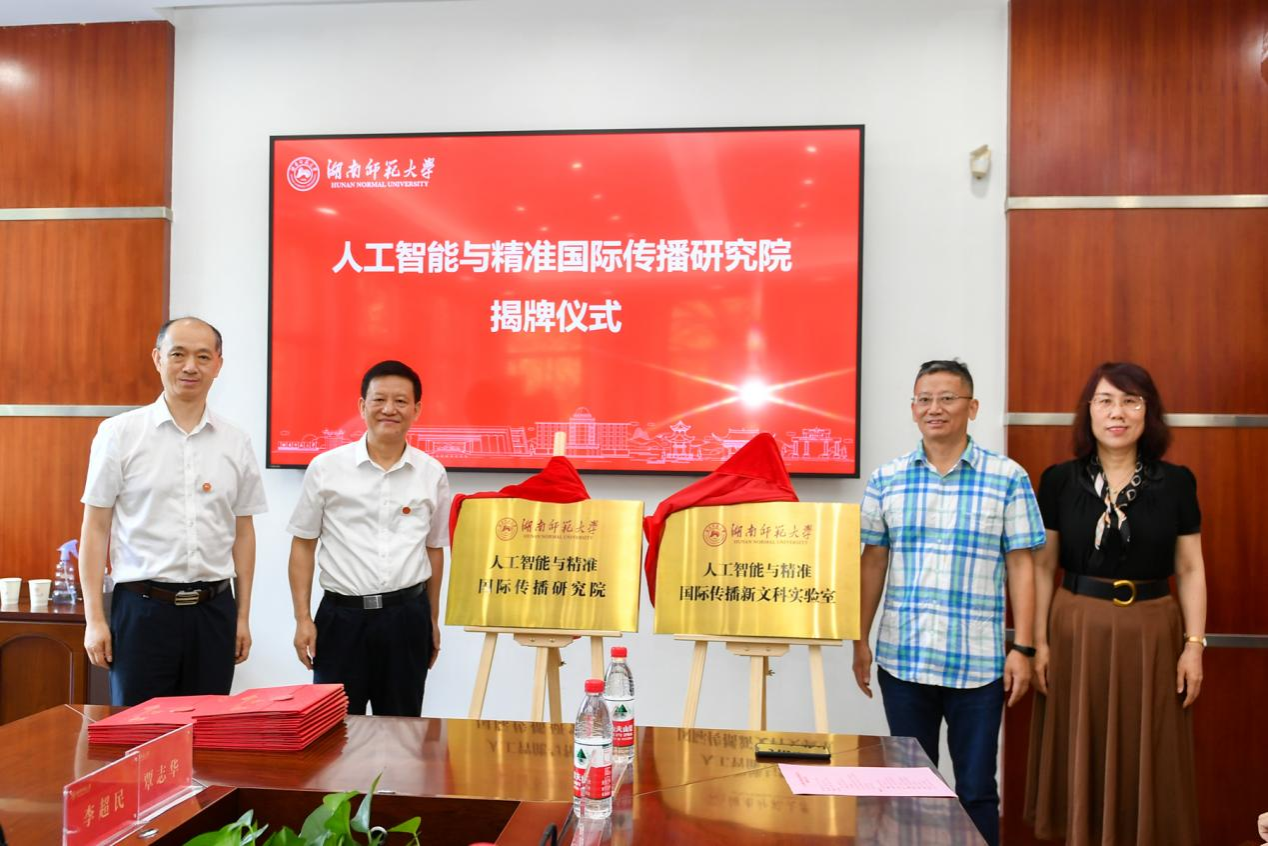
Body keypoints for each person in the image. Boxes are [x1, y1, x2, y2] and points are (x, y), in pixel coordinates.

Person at [853, 359, 1043, 846]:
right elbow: (873, 562)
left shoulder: (1007, 477)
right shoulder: (888, 479)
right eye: (924, 399)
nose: (934, 408)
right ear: (913, 408)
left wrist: (1023, 648)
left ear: (972, 407)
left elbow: (1023, 565)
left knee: (976, 789)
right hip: (904, 658)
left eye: (947, 398)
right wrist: (860, 639)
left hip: (977, 664)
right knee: (910, 787)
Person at [1024, 362, 1206, 845]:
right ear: (1089, 411)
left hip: (1153, 631)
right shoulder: (1059, 480)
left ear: (1149, 412)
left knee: (1149, 747)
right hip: (1076, 627)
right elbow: (1043, 567)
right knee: (1080, 745)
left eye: (1131, 401)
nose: (1117, 413)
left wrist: (1194, 646)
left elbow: (1190, 568)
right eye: (1105, 401)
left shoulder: (1177, 482)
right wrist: (1038, 643)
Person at [79, 317, 268, 706]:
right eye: (178, 354)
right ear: (158, 359)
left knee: (207, 731)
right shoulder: (119, 434)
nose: (190, 367)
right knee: (140, 731)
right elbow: (96, 528)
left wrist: (242, 616)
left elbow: (243, 532)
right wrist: (94, 619)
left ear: (218, 364)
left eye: (203, 357)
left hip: (214, 611)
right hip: (142, 611)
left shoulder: (236, 441)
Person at [287, 360, 451, 716]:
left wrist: (432, 620)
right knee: (336, 730)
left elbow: (434, 549)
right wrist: (302, 618)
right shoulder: (326, 468)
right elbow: (303, 544)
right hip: (341, 619)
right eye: (379, 399)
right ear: (362, 406)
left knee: (403, 728)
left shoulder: (432, 473)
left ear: (416, 409)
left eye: (401, 401)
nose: (389, 409)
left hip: (407, 617)